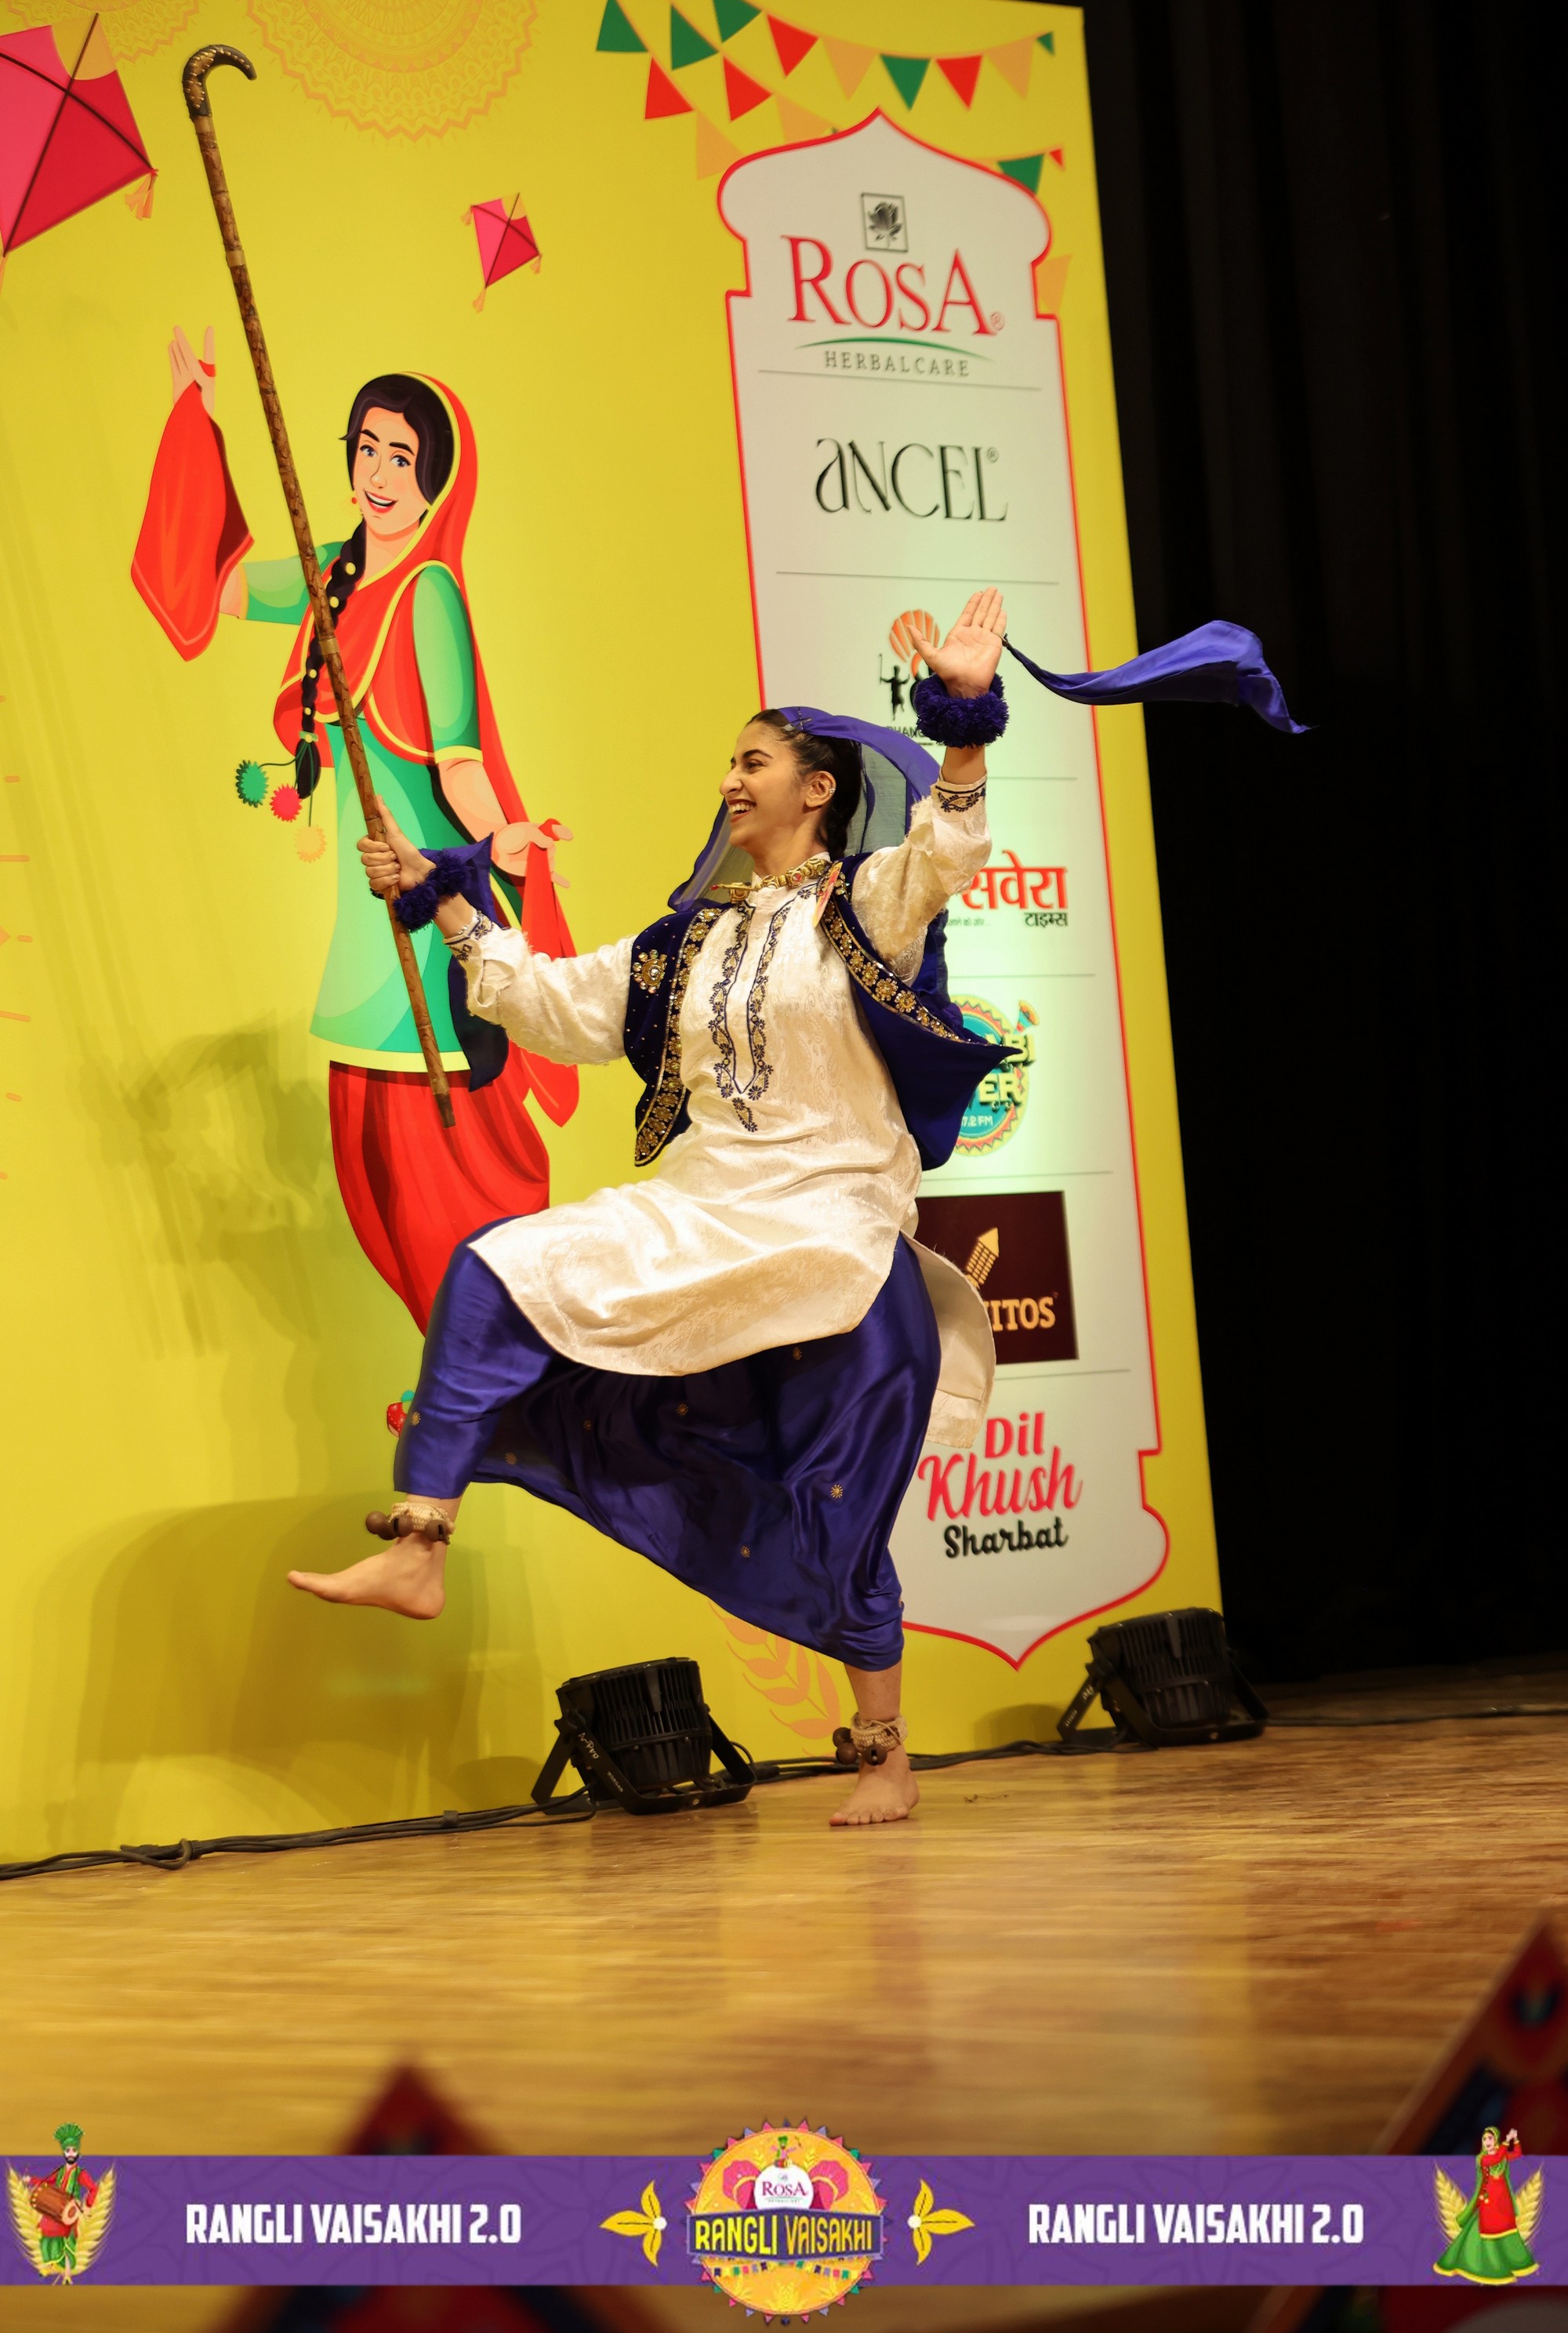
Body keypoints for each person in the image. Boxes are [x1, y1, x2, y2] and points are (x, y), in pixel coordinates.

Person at [288, 592, 1014, 1826]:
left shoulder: (869, 905)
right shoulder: (689, 941)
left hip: (832, 1236)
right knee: (493, 1267)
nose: (728, 781)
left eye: (753, 762)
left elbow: (950, 847)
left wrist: (964, 714)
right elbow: (551, 1001)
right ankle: (419, 1544)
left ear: (816, 791)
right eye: (729, 762)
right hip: (705, 1211)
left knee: (836, 1512)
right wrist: (440, 896)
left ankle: (883, 1758)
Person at [131, 336, 575, 1327]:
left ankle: (495, 1362)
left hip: (422, 903)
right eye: (365, 448)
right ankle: (450, 1370)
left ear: (432, 481)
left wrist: (504, 839)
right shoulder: (331, 578)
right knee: (372, 1171)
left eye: (400, 457)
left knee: (441, 1173)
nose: (378, 474)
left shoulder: (429, 594)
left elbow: (456, 759)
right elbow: (224, 586)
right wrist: (197, 425)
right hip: (362, 923)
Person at [1435, 2126, 1540, 2284]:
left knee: (1508, 2228)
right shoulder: (1483, 2159)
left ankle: (1516, 2261)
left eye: (1490, 2138)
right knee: (1490, 2230)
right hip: (1489, 2199)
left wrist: (1515, 2140)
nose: (1487, 2141)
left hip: (1503, 2200)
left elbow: (1516, 2154)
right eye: (1484, 2139)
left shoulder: (1501, 2155)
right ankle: (1489, 2266)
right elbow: (1495, 2159)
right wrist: (1506, 2143)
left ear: (1495, 2140)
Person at [21, 2124, 99, 2280]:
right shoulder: (60, 2171)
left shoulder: (81, 2173)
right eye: (67, 2150)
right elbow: (46, 2182)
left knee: (67, 2243)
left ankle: (67, 2275)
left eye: (74, 2150)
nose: (71, 2154)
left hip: (70, 2211)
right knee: (47, 2239)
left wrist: (88, 2206)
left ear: (78, 2152)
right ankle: (49, 2266)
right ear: (64, 2152)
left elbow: (93, 2189)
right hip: (54, 2209)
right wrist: (31, 2180)